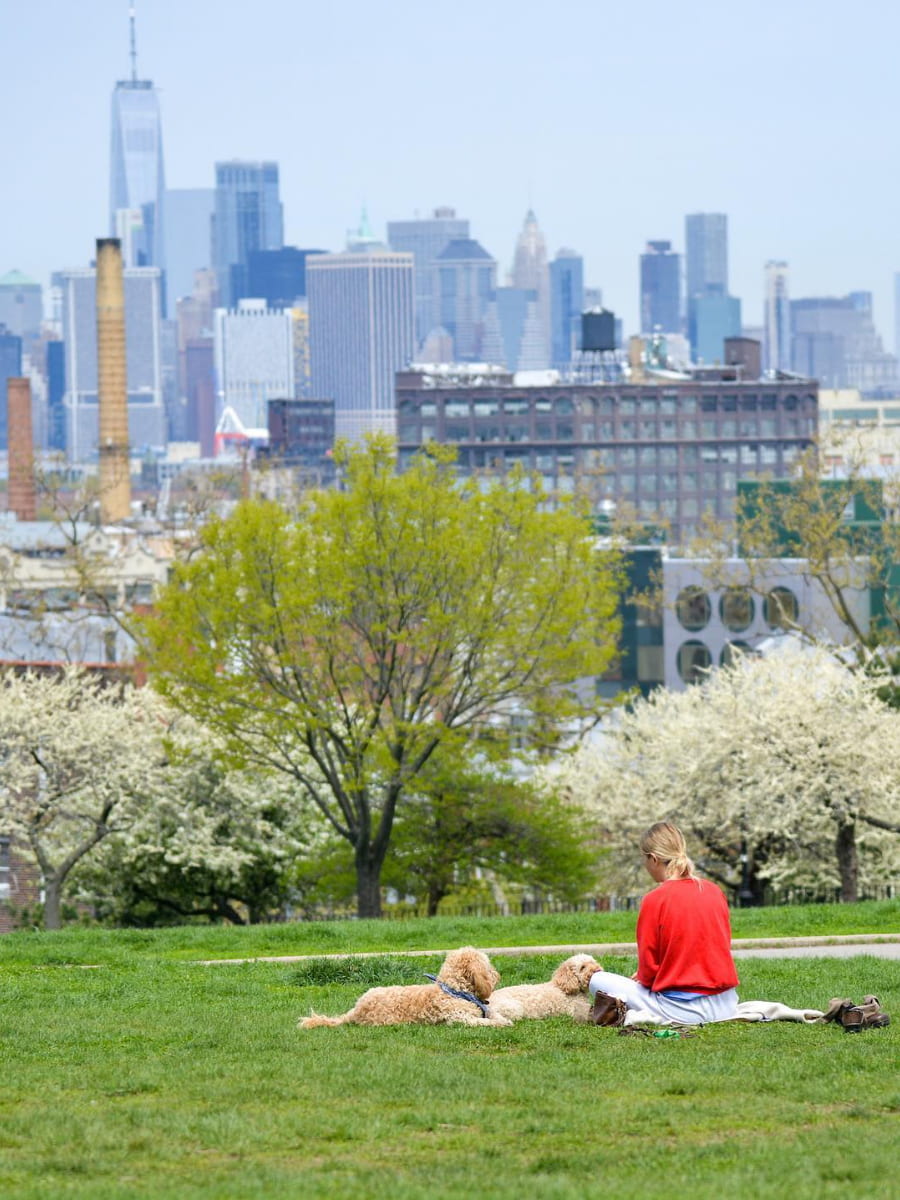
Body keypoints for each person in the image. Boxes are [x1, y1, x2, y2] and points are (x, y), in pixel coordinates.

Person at [588, 821, 739, 1025]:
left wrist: (644, 977)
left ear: (653, 859)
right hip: (726, 1005)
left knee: (597, 980)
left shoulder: (654, 899)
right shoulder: (714, 890)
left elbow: (649, 970)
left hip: (681, 1010)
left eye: (644, 858)